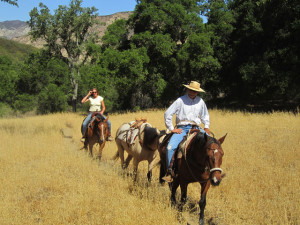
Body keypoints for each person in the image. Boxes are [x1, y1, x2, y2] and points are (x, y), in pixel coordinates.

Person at [162, 81, 210, 182]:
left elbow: (205, 115)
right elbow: (168, 114)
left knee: (211, 144)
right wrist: (172, 128)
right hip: (182, 128)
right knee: (170, 148)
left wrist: (206, 127)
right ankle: (170, 172)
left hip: (196, 127)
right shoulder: (180, 100)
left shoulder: (200, 101)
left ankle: (212, 170)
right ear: (188, 89)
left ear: (198, 92)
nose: (192, 92)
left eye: (195, 91)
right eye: (191, 90)